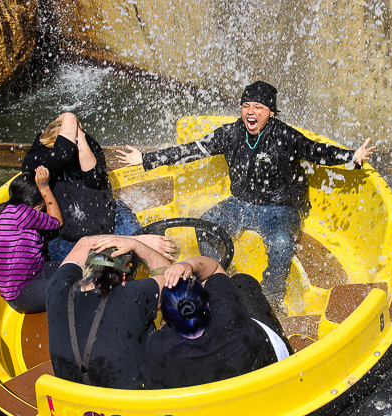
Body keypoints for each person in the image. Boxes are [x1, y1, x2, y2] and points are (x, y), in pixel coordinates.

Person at [116, 81, 376, 310]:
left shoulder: (284, 136)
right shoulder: (231, 134)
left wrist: (352, 156)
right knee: (205, 226)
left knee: (281, 244)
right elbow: (190, 150)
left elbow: (317, 151)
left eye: (259, 107)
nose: (251, 111)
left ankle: (271, 297)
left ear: (271, 113)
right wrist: (146, 158)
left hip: (280, 207)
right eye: (246, 105)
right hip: (239, 204)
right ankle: (219, 276)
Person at [45, 234, 172, 389]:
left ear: (86, 269)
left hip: (76, 403)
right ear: (124, 277)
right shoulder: (133, 296)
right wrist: (136, 245)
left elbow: (84, 243)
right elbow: (172, 277)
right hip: (135, 405)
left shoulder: (57, 289)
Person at [145, 256, 292, 389]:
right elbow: (214, 268)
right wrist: (187, 265)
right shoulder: (231, 318)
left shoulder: (157, 347)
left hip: (218, 406)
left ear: (166, 318)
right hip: (270, 377)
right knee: (241, 282)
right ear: (208, 304)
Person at [22, 112, 141, 261]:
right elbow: (62, 154)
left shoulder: (90, 149)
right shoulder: (39, 159)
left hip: (113, 222)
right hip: (65, 237)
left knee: (139, 253)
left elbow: (94, 178)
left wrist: (77, 131)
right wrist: (70, 117)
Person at [0, 166, 63, 313]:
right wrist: (44, 187)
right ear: (37, 199)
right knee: (72, 287)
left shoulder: (7, 211)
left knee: (75, 267)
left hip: (36, 274)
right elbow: (57, 221)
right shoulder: (22, 213)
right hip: (22, 294)